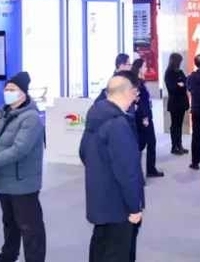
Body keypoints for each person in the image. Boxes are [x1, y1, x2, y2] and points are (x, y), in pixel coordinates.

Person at [0, 72, 46, 262]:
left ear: (23, 93)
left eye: (12, 89)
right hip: (5, 179)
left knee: (30, 227)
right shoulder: (6, 113)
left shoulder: (31, 118)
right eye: (6, 89)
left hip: (22, 181)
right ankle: (8, 256)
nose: (7, 93)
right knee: (10, 223)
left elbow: (19, 149)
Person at [80, 72, 145, 262]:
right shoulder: (118, 124)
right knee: (118, 252)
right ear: (128, 92)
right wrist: (134, 207)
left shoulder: (95, 116)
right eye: (135, 93)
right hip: (119, 206)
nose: (135, 98)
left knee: (100, 248)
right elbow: (128, 171)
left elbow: (83, 152)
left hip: (100, 200)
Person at [132, 59, 164, 178]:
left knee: (149, 143)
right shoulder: (137, 84)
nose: (146, 68)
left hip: (145, 116)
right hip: (143, 118)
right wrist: (145, 117)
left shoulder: (140, 82)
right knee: (143, 144)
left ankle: (150, 169)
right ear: (139, 68)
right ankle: (141, 172)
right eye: (144, 66)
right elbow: (141, 103)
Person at [164, 53, 189, 155]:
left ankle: (180, 145)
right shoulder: (169, 73)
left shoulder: (180, 72)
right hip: (174, 102)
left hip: (182, 102)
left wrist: (181, 84)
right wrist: (180, 84)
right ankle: (174, 146)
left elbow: (185, 83)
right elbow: (172, 87)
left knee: (179, 125)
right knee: (175, 125)